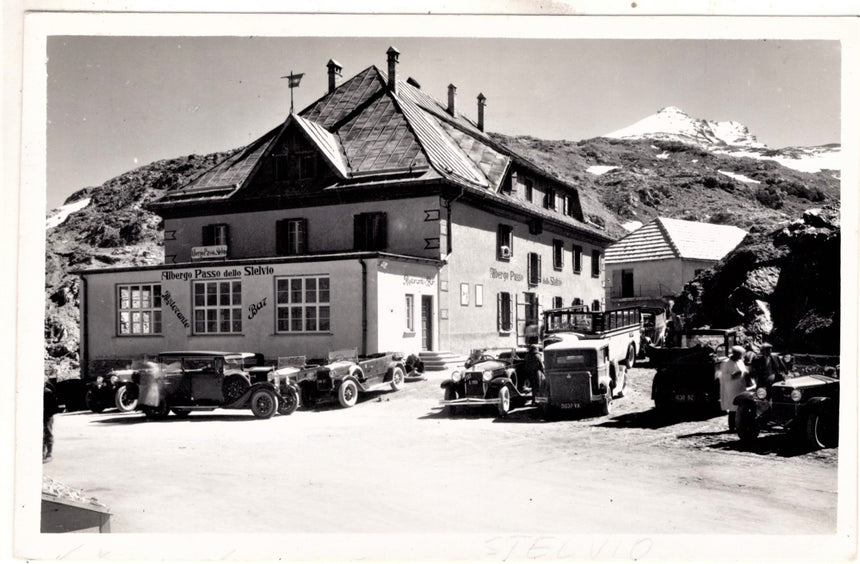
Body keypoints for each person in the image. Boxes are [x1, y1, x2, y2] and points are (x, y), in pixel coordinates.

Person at [718, 345, 749, 432]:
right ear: (735, 354)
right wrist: (733, 375)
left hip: (741, 386)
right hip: (731, 387)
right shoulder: (726, 363)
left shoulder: (740, 361)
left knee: (741, 406)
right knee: (733, 407)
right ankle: (732, 427)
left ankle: (740, 425)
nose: (741, 356)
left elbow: (743, 371)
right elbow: (723, 376)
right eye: (740, 355)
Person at [43, 377, 60, 463]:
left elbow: (54, 407)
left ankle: (49, 453)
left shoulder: (48, 392)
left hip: (47, 416)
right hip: (41, 416)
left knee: (48, 434)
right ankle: (42, 453)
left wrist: (48, 414)